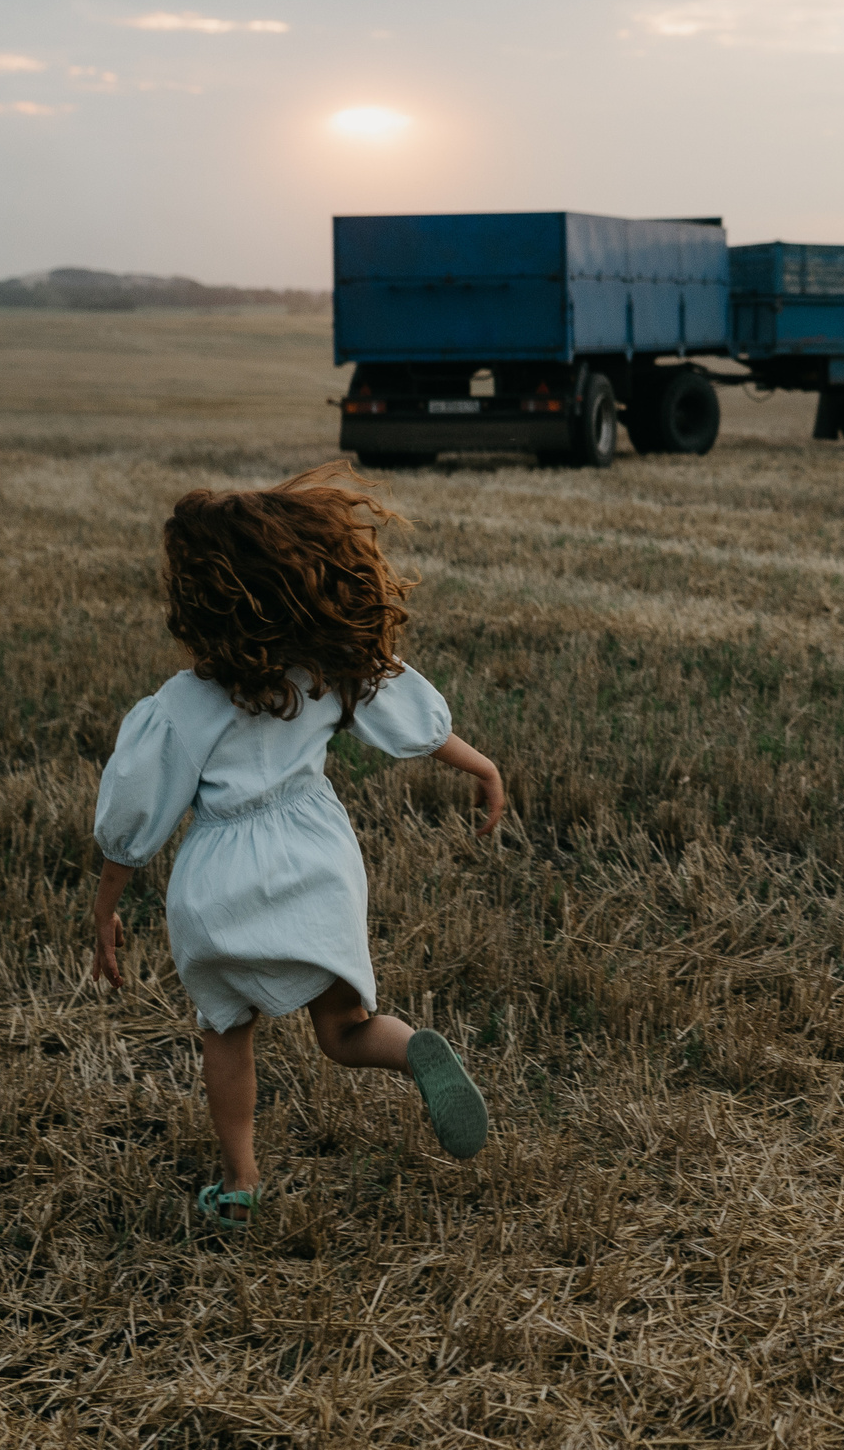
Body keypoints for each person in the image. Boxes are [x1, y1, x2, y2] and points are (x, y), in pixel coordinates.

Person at [90, 463, 505, 1231]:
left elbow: (136, 814)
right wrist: (478, 764)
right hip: (317, 860)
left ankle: (243, 1181)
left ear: (200, 604)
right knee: (343, 1028)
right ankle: (411, 1050)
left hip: (219, 880)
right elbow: (408, 717)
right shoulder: (325, 671)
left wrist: (107, 908)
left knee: (226, 1030)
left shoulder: (183, 704)